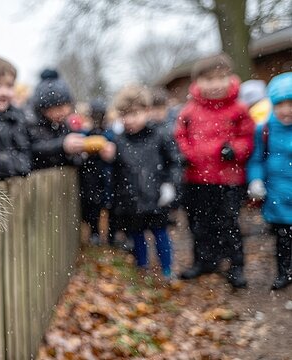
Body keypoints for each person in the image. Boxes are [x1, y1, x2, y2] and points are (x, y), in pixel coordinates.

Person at [174, 53, 255, 288]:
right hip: (196, 177)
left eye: (221, 78)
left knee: (228, 223)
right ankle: (205, 260)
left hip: (228, 178)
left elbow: (247, 138)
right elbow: (180, 137)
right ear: (198, 82)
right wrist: (185, 155)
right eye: (208, 79)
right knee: (200, 223)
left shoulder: (238, 109)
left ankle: (236, 265)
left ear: (230, 78)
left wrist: (236, 149)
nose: (215, 84)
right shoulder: (189, 111)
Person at [102, 85, 182, 280]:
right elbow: (116, 171)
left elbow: (175, 162)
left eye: (134, 114)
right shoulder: (119, 140)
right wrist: (109, 159)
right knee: (137, 236)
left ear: (146, 111)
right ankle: (142, 268)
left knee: (160, 234)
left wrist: (170, 185)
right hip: (131, 199)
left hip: (156, 197)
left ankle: (167, 269)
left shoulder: (160, 135)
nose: (129, 120)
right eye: (124, 115)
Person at [247, 72, 292, 290]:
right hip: (277, 195)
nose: (286, 110)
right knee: (282, 239)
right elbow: (257, 159)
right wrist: (255, 180)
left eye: (290, 103)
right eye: (280, 104)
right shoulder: (264, 129)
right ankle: (284, 272)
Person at [27, 69, 84, 170]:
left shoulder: (65, 125)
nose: (59, 113)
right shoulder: (32, 124)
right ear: (42, 110)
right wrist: (62, 146)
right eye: (52, 109)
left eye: (62, 107)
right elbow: (33, 149)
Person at [78, 99, 114, 245]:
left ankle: (108, 237)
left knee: (106, 205)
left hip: (104, 174)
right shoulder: (86, 132)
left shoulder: (109, 133)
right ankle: (95, 233)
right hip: (91, 174)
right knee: (93, 206)